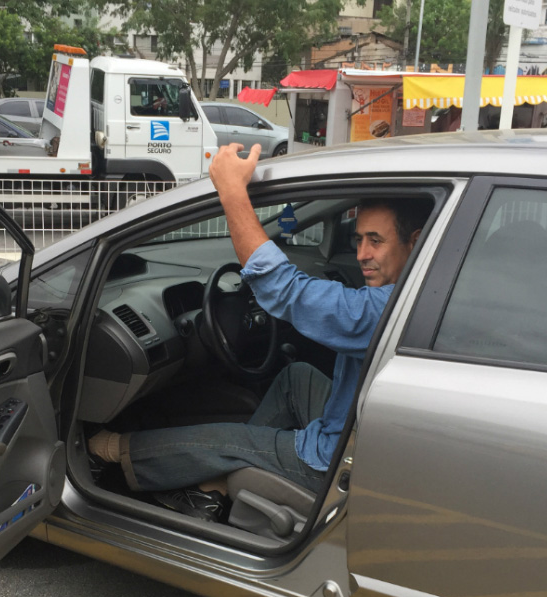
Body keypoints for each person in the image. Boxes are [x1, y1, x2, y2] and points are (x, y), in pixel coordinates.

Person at [89, 143, 426, 522]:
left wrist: (231, 190)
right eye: (358, 239)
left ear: (414, 243)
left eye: (376, 241)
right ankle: (216, 481)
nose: (362, 253)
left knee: (230, 439)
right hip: (364, 431)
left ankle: (108, 450)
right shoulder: (418, 291)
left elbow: (283, 289)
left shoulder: (384, 308)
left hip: (337, 461)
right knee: (294, 378)